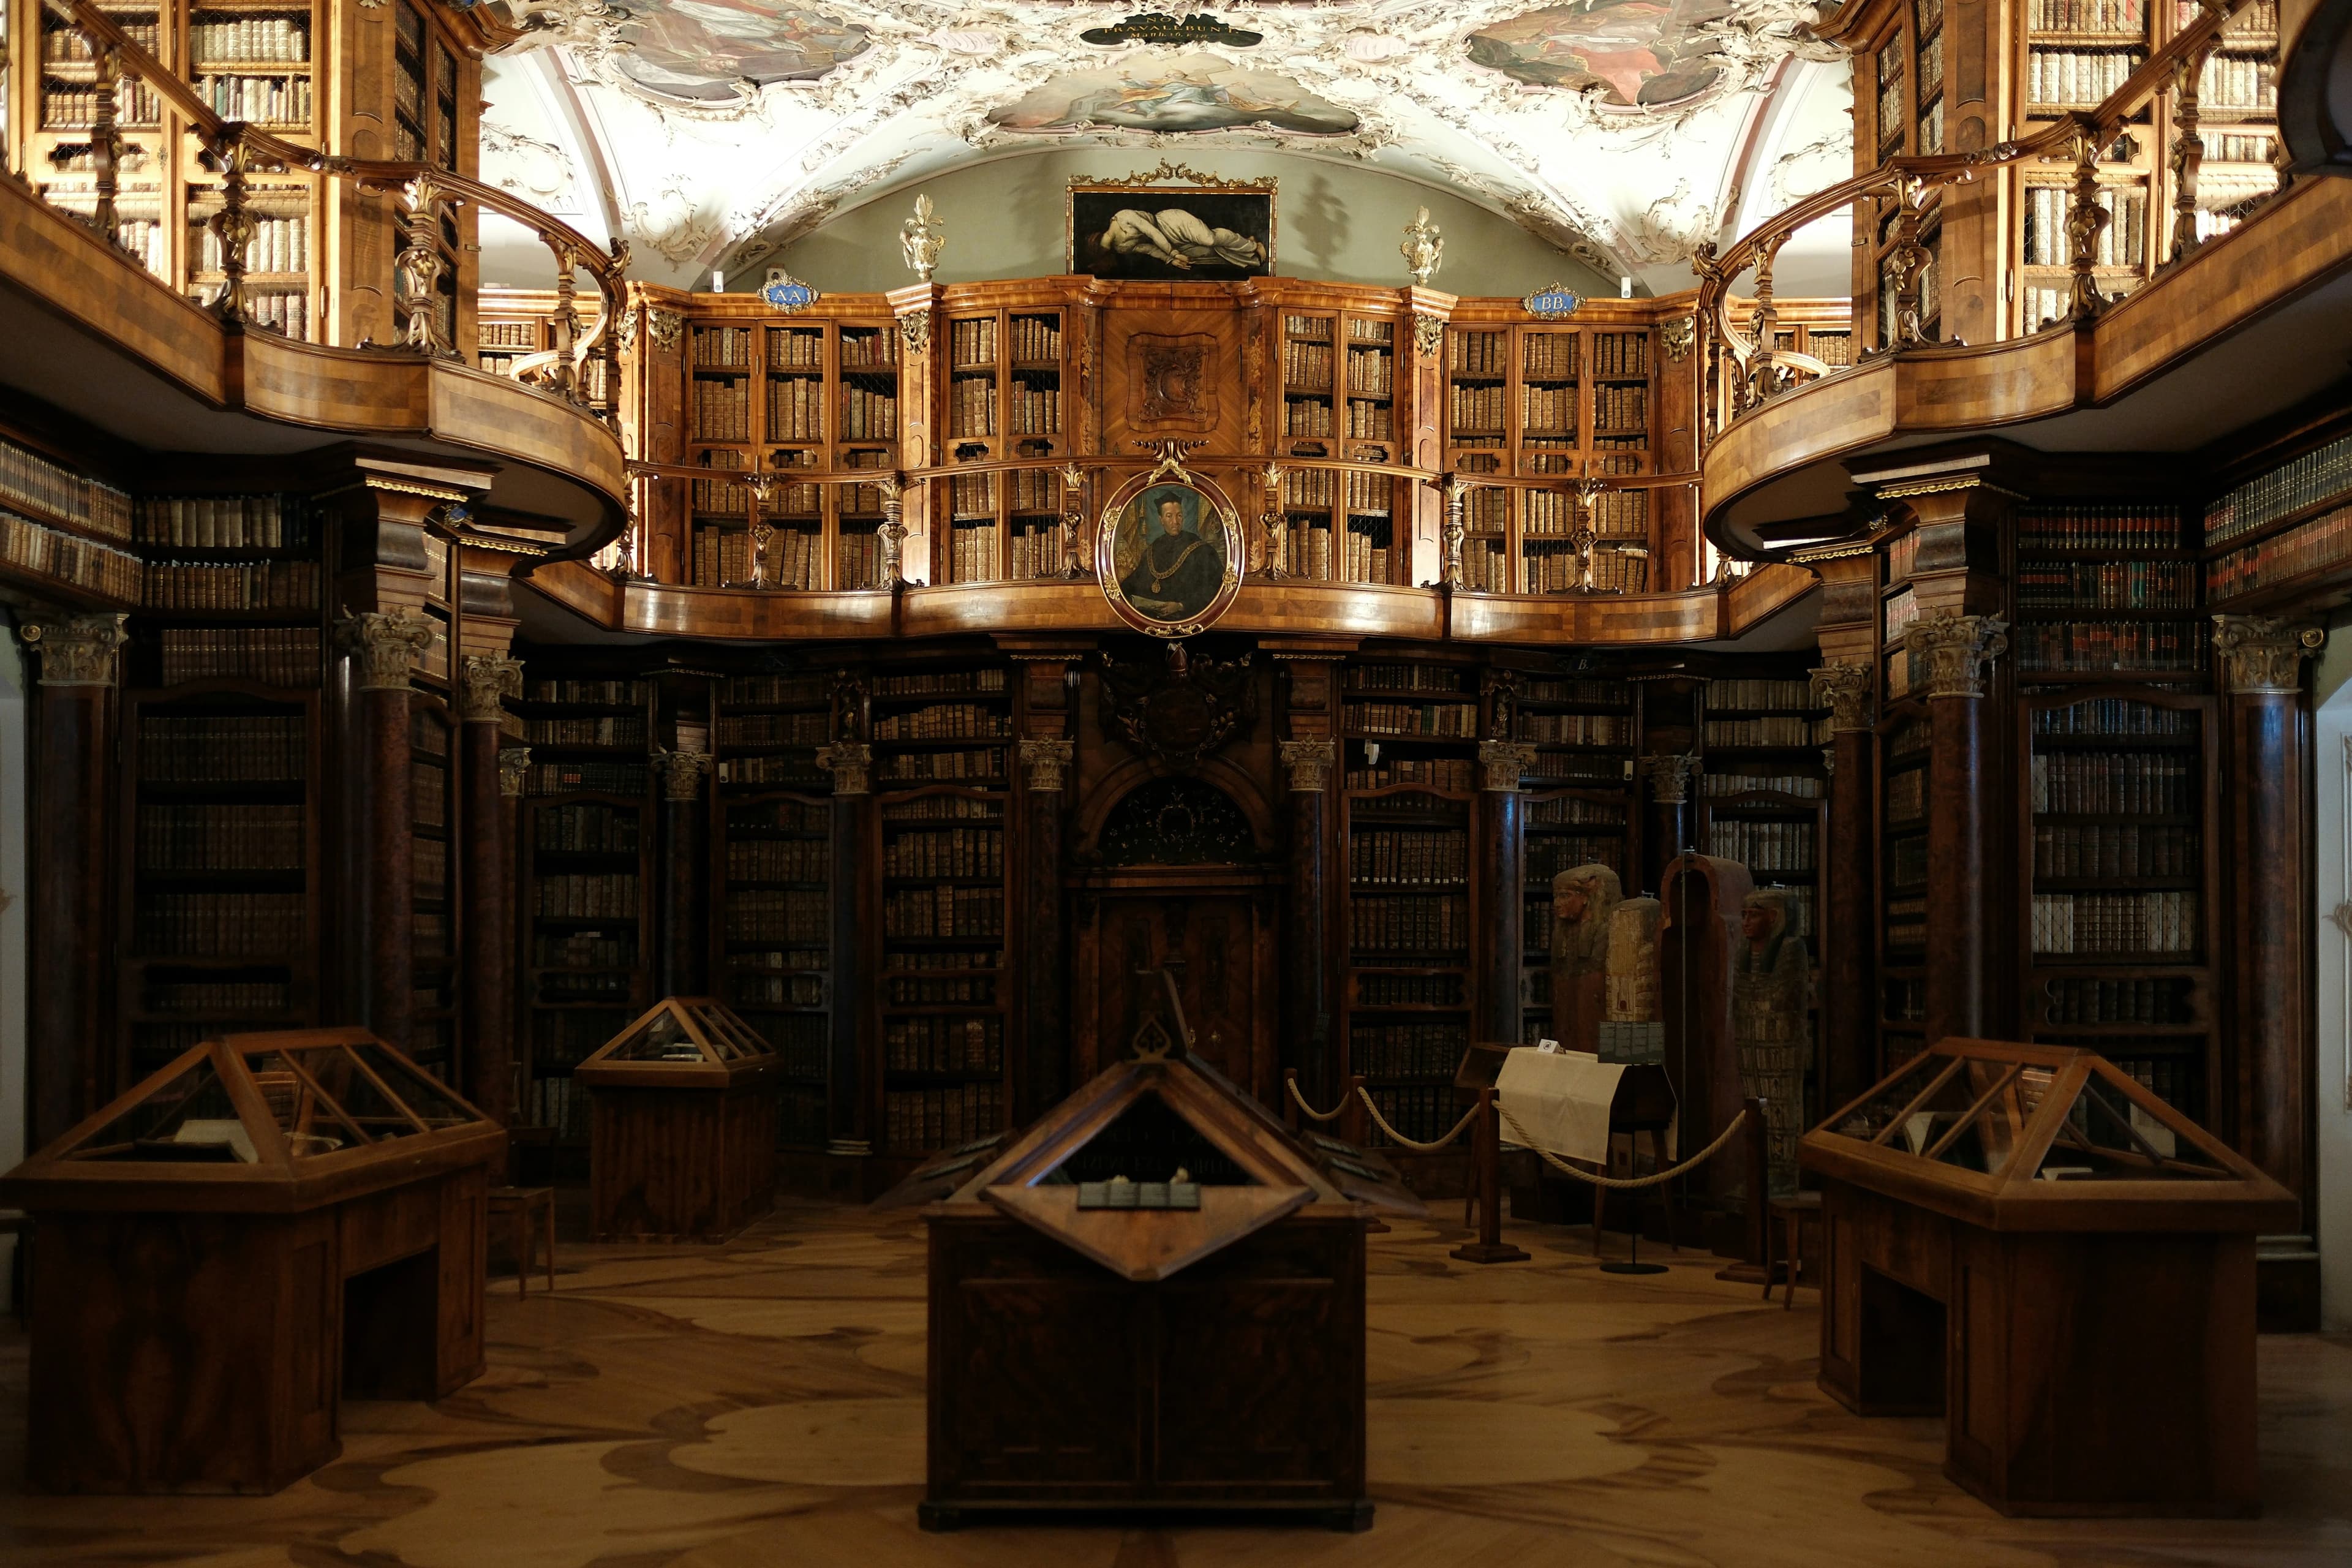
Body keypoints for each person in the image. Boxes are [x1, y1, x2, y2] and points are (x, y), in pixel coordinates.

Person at [1119, 493, 1226, 620]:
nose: (1175, 522)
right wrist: (1119, 593)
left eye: (1179, 516)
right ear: (1161, 520)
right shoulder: (1152, 549)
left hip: (1186, 619)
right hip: (1151, 618)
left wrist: (1181, 606)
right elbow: (1135, 580)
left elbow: (1214, 588)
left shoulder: (1202, 551)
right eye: (1169, 516)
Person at [1095, 207, 1267, 272]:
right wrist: (1171, 260)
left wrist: (1173, 253)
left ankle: (1252, 245)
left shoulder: (1124, 216)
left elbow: (1153, 233)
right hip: (1168, 243)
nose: (1106, 246)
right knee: (1207, 253)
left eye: (1103, 244)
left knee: (1209, 239)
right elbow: (1150, 249)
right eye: (1104, 250)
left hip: (1170, 222)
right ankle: (1247, 248)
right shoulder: (1121, 248)